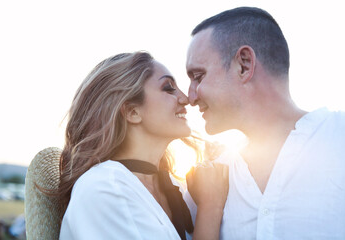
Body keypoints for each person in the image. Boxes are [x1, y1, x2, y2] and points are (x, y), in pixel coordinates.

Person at [185, 7, 345, 239]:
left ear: (244, 64)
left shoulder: (343, 138)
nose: (190, 97)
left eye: (198, 76)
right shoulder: (204, 187)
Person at [58, 51, 228, 240]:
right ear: (132, 112)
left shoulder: (173, 187)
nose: (185, 99)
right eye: (168, 88)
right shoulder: (104, 188)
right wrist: (211, 207)